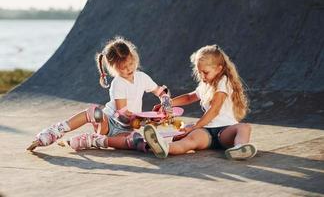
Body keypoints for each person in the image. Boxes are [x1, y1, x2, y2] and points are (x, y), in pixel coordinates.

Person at [28, 36, 171, 152]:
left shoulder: (142, 77)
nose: (129, 69)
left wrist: (165, 102)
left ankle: (95, 140)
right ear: (113, 68)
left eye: (131, 64)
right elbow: (122, 113)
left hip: (126, 129)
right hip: (108, 123)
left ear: (133, 57)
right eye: (123, 68)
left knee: (136, 141)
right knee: (94, 112)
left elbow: (160, 91)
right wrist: (145, 120)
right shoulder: (118, 83)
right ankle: (56, 131)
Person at [144, 44, 257, 160]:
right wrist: (167, 104)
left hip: (225, 131)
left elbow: (215, 110)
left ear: (219, 68)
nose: (202, 76)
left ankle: (240, 147)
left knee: (244, 127)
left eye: (205, 72)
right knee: (190, 141)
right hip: (206, 131)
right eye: (199, 72)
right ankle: (165, 147)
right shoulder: (204, 85)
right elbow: (189, 97)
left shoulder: (224, 81)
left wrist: (195, 127)